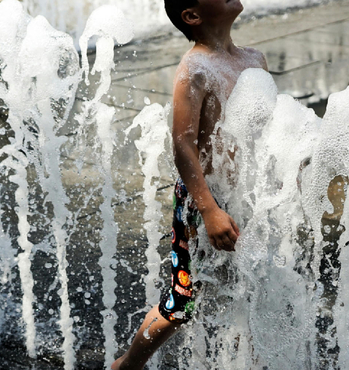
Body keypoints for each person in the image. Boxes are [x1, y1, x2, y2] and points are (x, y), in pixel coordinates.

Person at [112, 0, 268, 369]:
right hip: (205, 200)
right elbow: (182, 145)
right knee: (183, 301)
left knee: (258, 285)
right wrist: (210, 210)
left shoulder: (255, 60)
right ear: (193, 15)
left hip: (246, 194)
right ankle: (127, 365)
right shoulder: (194, 68)